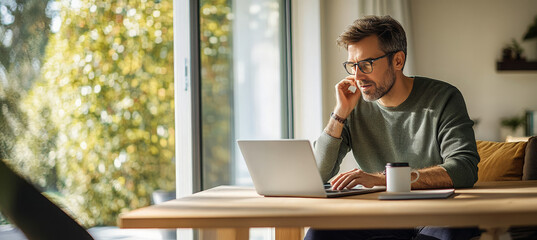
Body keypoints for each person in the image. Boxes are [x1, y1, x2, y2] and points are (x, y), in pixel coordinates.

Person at [305, 15, 481, 240]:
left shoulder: (444, 98)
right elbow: (318, 174)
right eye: (352, 66)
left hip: (439, 214)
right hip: (381, 215)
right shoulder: (355, 105)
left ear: (397, 61)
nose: (357, 76)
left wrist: (384, 179)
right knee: (319, 234)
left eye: (366, 64)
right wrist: (339, 114)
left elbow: (465, 168)